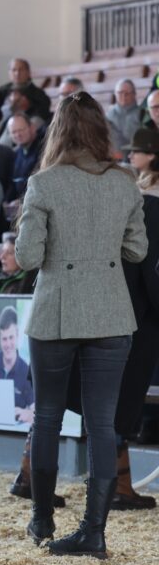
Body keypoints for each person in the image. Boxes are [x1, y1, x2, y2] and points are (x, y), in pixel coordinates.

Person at [16, 91, 147, 556]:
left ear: (58, 131)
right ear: (101, 130)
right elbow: (137, 250)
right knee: (103, 424)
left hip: (56, 309)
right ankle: (94, 531)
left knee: (48, 417)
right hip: (112, 311)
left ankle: (42, 519)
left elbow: (27, 256)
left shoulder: (44, 184)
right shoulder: (125, 182)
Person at [110, 127, 159, 510]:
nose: (130, 157)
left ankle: (119, 485)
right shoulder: (140, 198)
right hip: (139, 309)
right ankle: (119, 486)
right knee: (123, 395)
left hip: (121, 304)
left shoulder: (140, 199)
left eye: (138, 152)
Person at [0, 306, 35, 423]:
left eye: (11, 338)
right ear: (0, 339)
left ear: (18, 336)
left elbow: (35, 413)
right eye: (4, 339)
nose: (8, 344)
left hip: (14, 436)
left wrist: (26, 414)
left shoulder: (26, 371)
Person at [0, 58, 52, 123]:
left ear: (28, 72)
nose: (17, 73)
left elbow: (43, 114)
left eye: (21, 70)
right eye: (14, 70)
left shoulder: (38, 94)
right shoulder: (2, 90)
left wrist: (28, 108)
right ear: (9, 73)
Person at [6, 113, 43, 205]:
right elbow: (13, 183)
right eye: (14, 132)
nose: (18, 134)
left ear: (32, 128)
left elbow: (41, 185)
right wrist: (7, 202)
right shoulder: (16, 154)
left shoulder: (44, 150)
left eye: (21, 130)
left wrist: (22, 201)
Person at [106, 79, 139, 152]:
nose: (124, 96)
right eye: (120, 93)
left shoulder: (142, 114)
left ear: (134, 94)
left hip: (135, 156)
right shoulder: (108, 115)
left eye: (127, 93)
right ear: (115, 94)